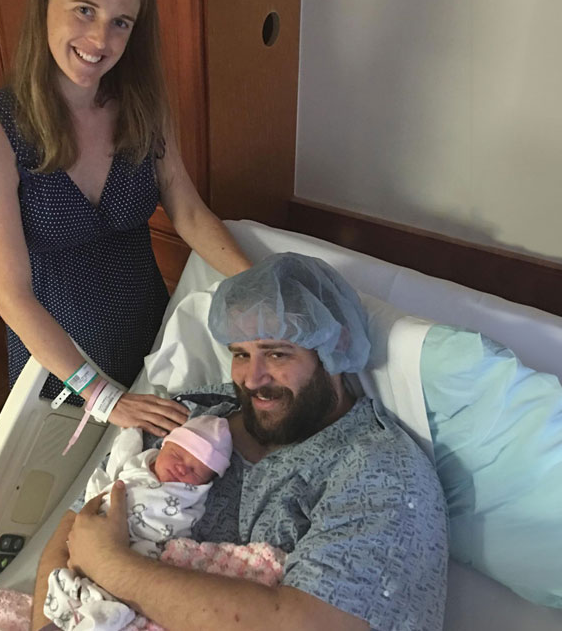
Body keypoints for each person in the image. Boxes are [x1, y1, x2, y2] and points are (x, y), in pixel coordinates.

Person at [33, 252, 449, 631]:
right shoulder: (189, 412)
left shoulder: (379, 470)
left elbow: (313, 623)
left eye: (277, 354)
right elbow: (78, 521)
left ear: (335, 346)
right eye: (241, 354)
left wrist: (111, 565)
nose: (252, 379)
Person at [0, 0, 251, 438]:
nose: (101, 40)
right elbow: (12, 296)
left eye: (121, 22)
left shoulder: (143, 108)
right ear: (45, 4)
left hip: (152, 341)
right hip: (58, 368)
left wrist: (262, 287)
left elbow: (186, 210)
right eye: (85, 10)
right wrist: (102, 396)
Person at [44, 415, 232, 630]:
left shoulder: (190, 499)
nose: (182, 468)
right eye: (177, 455)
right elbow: (120, 454)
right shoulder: (135, 465)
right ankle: (73, 612)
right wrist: (131, 430)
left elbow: (185, 528)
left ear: (204, 483)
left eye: (194, 471)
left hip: (140, 547)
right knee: (60, 580)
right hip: (94, 529)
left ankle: (101, 616)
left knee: (118, 593)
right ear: (164, 446)